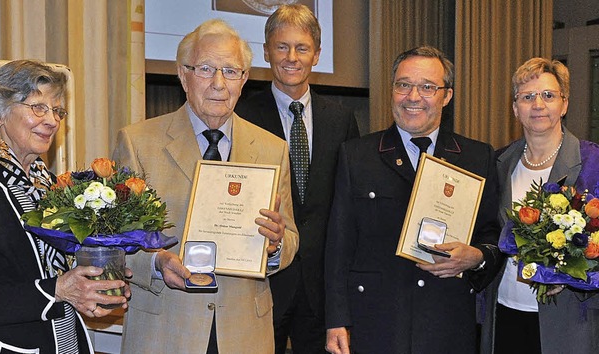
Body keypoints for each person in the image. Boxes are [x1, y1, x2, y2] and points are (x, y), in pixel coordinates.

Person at [112, 19, 299, 354]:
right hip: (165, 328)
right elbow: (115, 242)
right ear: (183, 75)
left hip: (245, 333)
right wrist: (156, 263)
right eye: (205, 68)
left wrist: (273, 248)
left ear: (244, 80)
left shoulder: (273, 149)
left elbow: (290, 240)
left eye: (230, 71)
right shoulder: (138, 142)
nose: (218, 83)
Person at [324, 46, 502, 354]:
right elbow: (339, 246)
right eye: (403, 85)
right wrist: (336, 320)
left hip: (447, 321)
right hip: (375, 321)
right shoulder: (357, 155)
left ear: (447, 96)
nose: (413, 97)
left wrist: (476, 256)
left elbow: (493, 234)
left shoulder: (476, 157)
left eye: (427, 87)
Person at [0, 60, 129, 353]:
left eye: (57, 110)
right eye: (38, 107)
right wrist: (57, 290)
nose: (52, 120)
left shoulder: (48, 183)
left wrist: (96, 278)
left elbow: (50, 264)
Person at [235, 5, 359, 354]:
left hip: (322, 288)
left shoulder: (342, 119)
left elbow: (346, 207)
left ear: (317, 55)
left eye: (302, 48)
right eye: (281, 46)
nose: (292, 57)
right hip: (261, 282)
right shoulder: (240, 116)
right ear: (265, 52)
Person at [481, 58, 599, 354]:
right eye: (527, 96)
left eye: (548, 95)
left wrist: (570, 274)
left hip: (568, 321)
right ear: (514, 108)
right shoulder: (498, 163)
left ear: (565, 104)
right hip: (505, 311)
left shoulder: (593, 162)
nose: (538, 104)